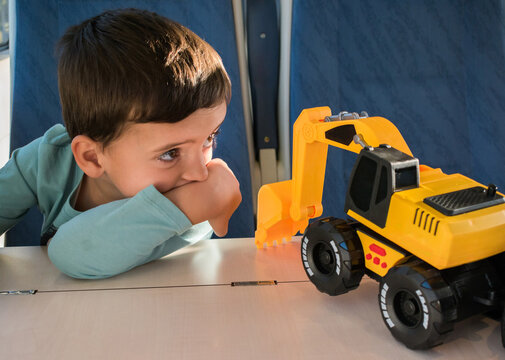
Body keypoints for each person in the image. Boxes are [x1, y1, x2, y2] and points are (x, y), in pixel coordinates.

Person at [0, 8, 242, 279]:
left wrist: (186, 206)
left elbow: (70, 254)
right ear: (91, 157)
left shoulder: (199, 198)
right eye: (171, 153)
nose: (200, 172)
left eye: (210, 138)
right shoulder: (46, 159)